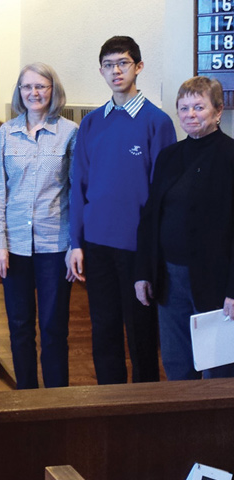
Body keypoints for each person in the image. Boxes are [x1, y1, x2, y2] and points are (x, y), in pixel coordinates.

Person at [69, 35, 176, 385]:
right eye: (109, 65)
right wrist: (76, 242)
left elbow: (163, 194)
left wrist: (153, 253)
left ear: (139, 67)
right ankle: (109, 403)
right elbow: (79, 186)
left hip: (137, 248)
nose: (116, 71)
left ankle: (143, 408)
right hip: (97, 245)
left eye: (123, 63)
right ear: (101, 71)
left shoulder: (156, 122)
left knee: (141, 333)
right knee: (104, 329)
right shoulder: (91, 123)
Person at [135, 76, 234, 380]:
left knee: (217, 367)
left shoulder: (231, 156)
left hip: (216, 281)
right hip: (170, 277)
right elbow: (151, 218)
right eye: (184, 108)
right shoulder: (169, 156)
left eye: (199, 107)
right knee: (177, 363)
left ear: (218, 111)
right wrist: (143, 273)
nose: (190, 114)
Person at [0, 63, 78, 389]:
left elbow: (77, 192)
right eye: (27, 87)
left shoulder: (70, 132)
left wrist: (74, 245)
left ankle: (56, 400)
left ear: (53, 90)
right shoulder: (6, 133)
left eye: (41, 86)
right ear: (19, 92)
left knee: (54, 328)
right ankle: (25, 396)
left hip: (56, 245)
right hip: (15, 246)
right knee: (20, 325)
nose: (34, 93)